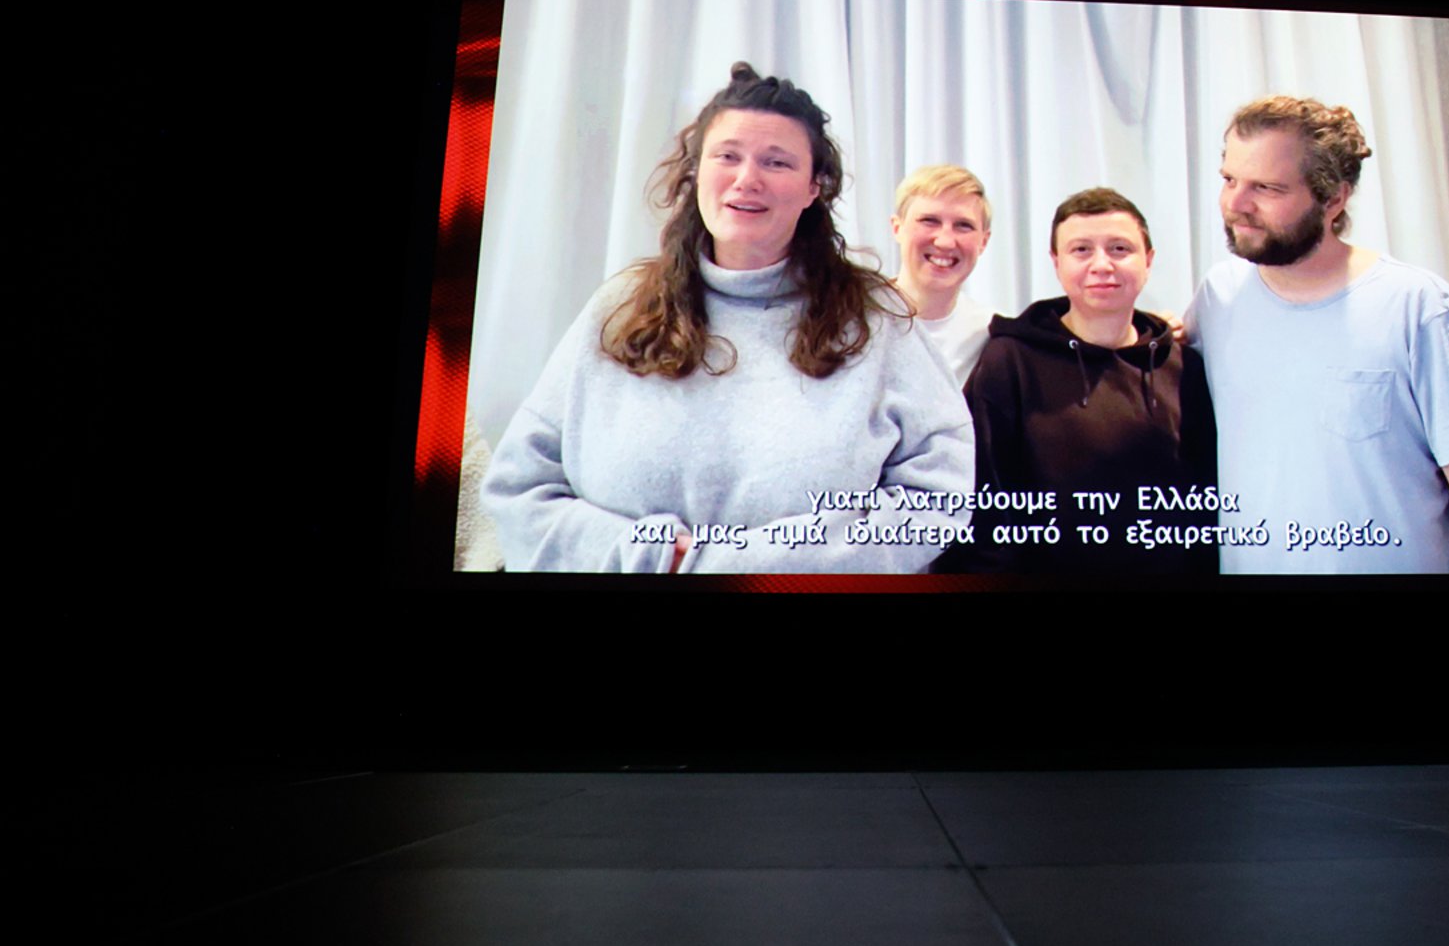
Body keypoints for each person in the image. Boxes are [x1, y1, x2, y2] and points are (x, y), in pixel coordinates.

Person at [484, 62, 974, 573]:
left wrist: (741, 568)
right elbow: (520, 488)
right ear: (697, 170)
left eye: (777, 162)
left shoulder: (876, 320)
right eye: (727, 156)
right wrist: (651, 557)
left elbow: (937, 497)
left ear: (815, 187)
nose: (747, 179)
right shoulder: (621, 307)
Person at [1185, 96, 1449, 574]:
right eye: (1229, 180)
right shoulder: (1218, 297)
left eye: (1266, 187)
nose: (1236, 205)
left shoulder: (1416, 306)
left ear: (1334, 199)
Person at [948, 188, 1216, 575]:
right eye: (1081, 250)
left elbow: (1205, 504)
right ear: (1056, 263)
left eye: (1120, 249)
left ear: (1148, 260)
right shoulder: (1010, 362)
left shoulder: (1182, 367)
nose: (1101, 265)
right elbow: (984, 505)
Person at [890, 165, 993, 385]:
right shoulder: (850, 320)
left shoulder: (993, 334)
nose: (945, 241)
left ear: (983, 241)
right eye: (929, 221)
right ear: (897, 228)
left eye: (963, 226)